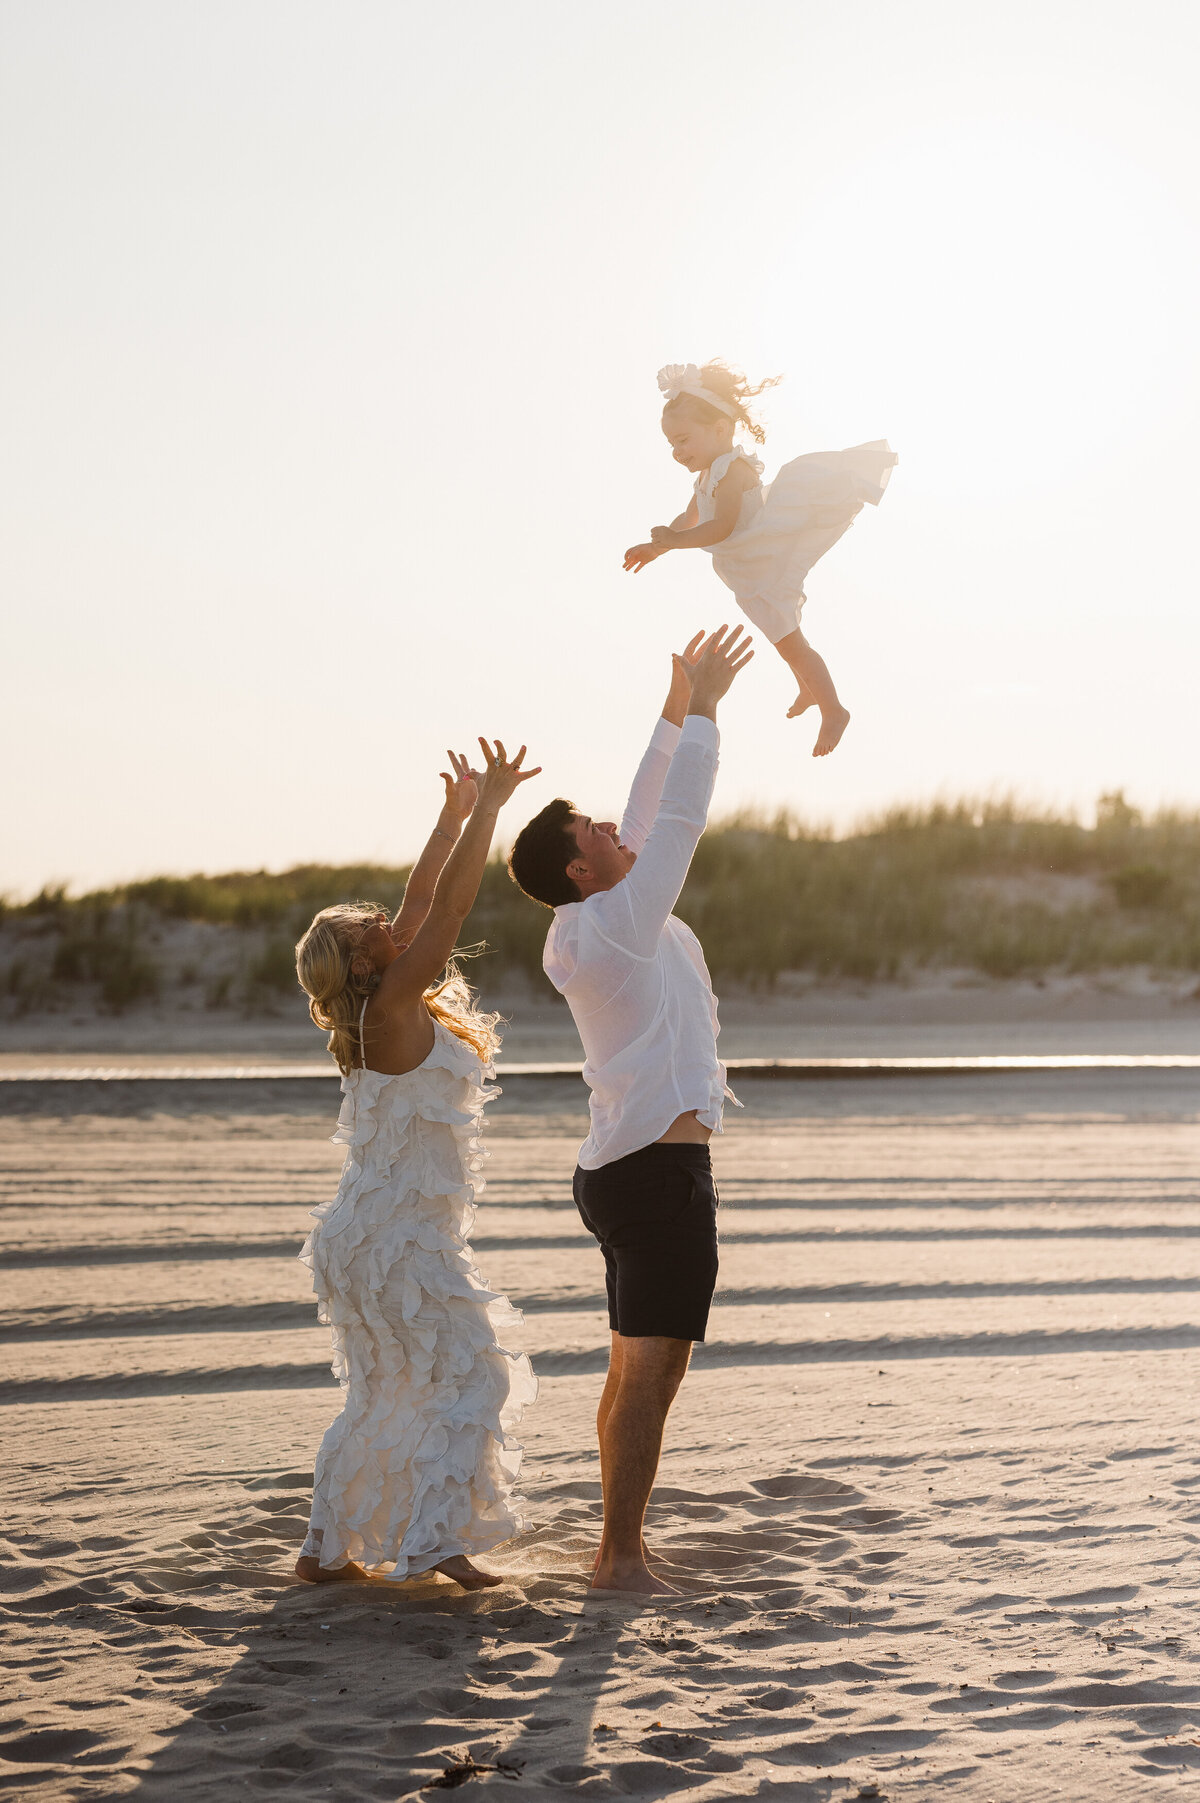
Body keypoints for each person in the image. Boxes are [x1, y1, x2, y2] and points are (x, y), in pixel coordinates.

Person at [507, 626, 752, 1595]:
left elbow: (650, 811)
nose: (614, 829)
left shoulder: (598, 920)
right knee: (649, 1373)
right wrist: (708, 714)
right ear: (578, 871)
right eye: (594, 834)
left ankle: (621, 1544)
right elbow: (680, 819)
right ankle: (617, 1557)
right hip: (654, 1175)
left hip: (635, 1170)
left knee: (638, 1369)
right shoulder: (612, 924)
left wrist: (675, 699)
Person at [292, 740, 540, 1591]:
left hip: (361, 1233)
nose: (393, 926)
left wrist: (453, 812)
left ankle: (328, 1548)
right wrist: (495, 810)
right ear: (365, 964)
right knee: (475, 1371)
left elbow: (426, 893)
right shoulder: (395, 1003)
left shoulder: (373, 1008)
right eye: (377, 931)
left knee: (386, 1390)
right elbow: (453, 907)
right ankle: (435, 1543)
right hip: (394, 1234)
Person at [624, 360, 896, 757]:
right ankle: (807, 687)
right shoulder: (706, 476)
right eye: (672, 445)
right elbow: (690, 517)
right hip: (745, 570)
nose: (677, 452)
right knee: (780, 635)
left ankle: (834, 709)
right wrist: (657, 546)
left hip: (764, 562)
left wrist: (676, 540)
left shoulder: (731, 472)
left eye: (683, 440)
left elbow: (722, 528)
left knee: (789, 640)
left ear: (720, 429)